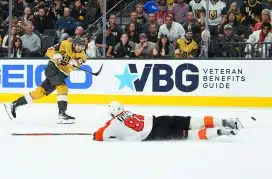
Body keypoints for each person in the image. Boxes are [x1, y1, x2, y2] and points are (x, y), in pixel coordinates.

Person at [4, 37, 87, 124]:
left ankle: (14, 104)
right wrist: (54, 55)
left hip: (62, 74)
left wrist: (75, 63)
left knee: (40, 92)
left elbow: (77, 63)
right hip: (52, 68)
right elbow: (49, 50)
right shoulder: (64, 44)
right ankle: (62, 114)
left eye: (82, 47)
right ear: (74, 44)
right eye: (79, 46)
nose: (80, 48)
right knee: (63, 88)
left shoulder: (82, 56)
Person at [93, 101, 245, 141]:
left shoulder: (113, 124)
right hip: (161, 120)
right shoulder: (128, 112)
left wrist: (97, 133)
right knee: (193, 122)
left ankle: (221, 132)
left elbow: (100, 136)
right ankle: (226, 121)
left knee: (190, 135)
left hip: (155, 133)